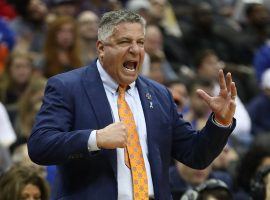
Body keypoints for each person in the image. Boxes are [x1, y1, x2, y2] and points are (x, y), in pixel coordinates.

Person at [28, 10, 237, 200]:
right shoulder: (67, 87)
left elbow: (195, 155)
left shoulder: (160, 94)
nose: (135, 50)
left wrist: (220, 122)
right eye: (125, 41)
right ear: (101, 48)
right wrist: (95, 139)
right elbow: (40, 146)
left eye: (141, 42)